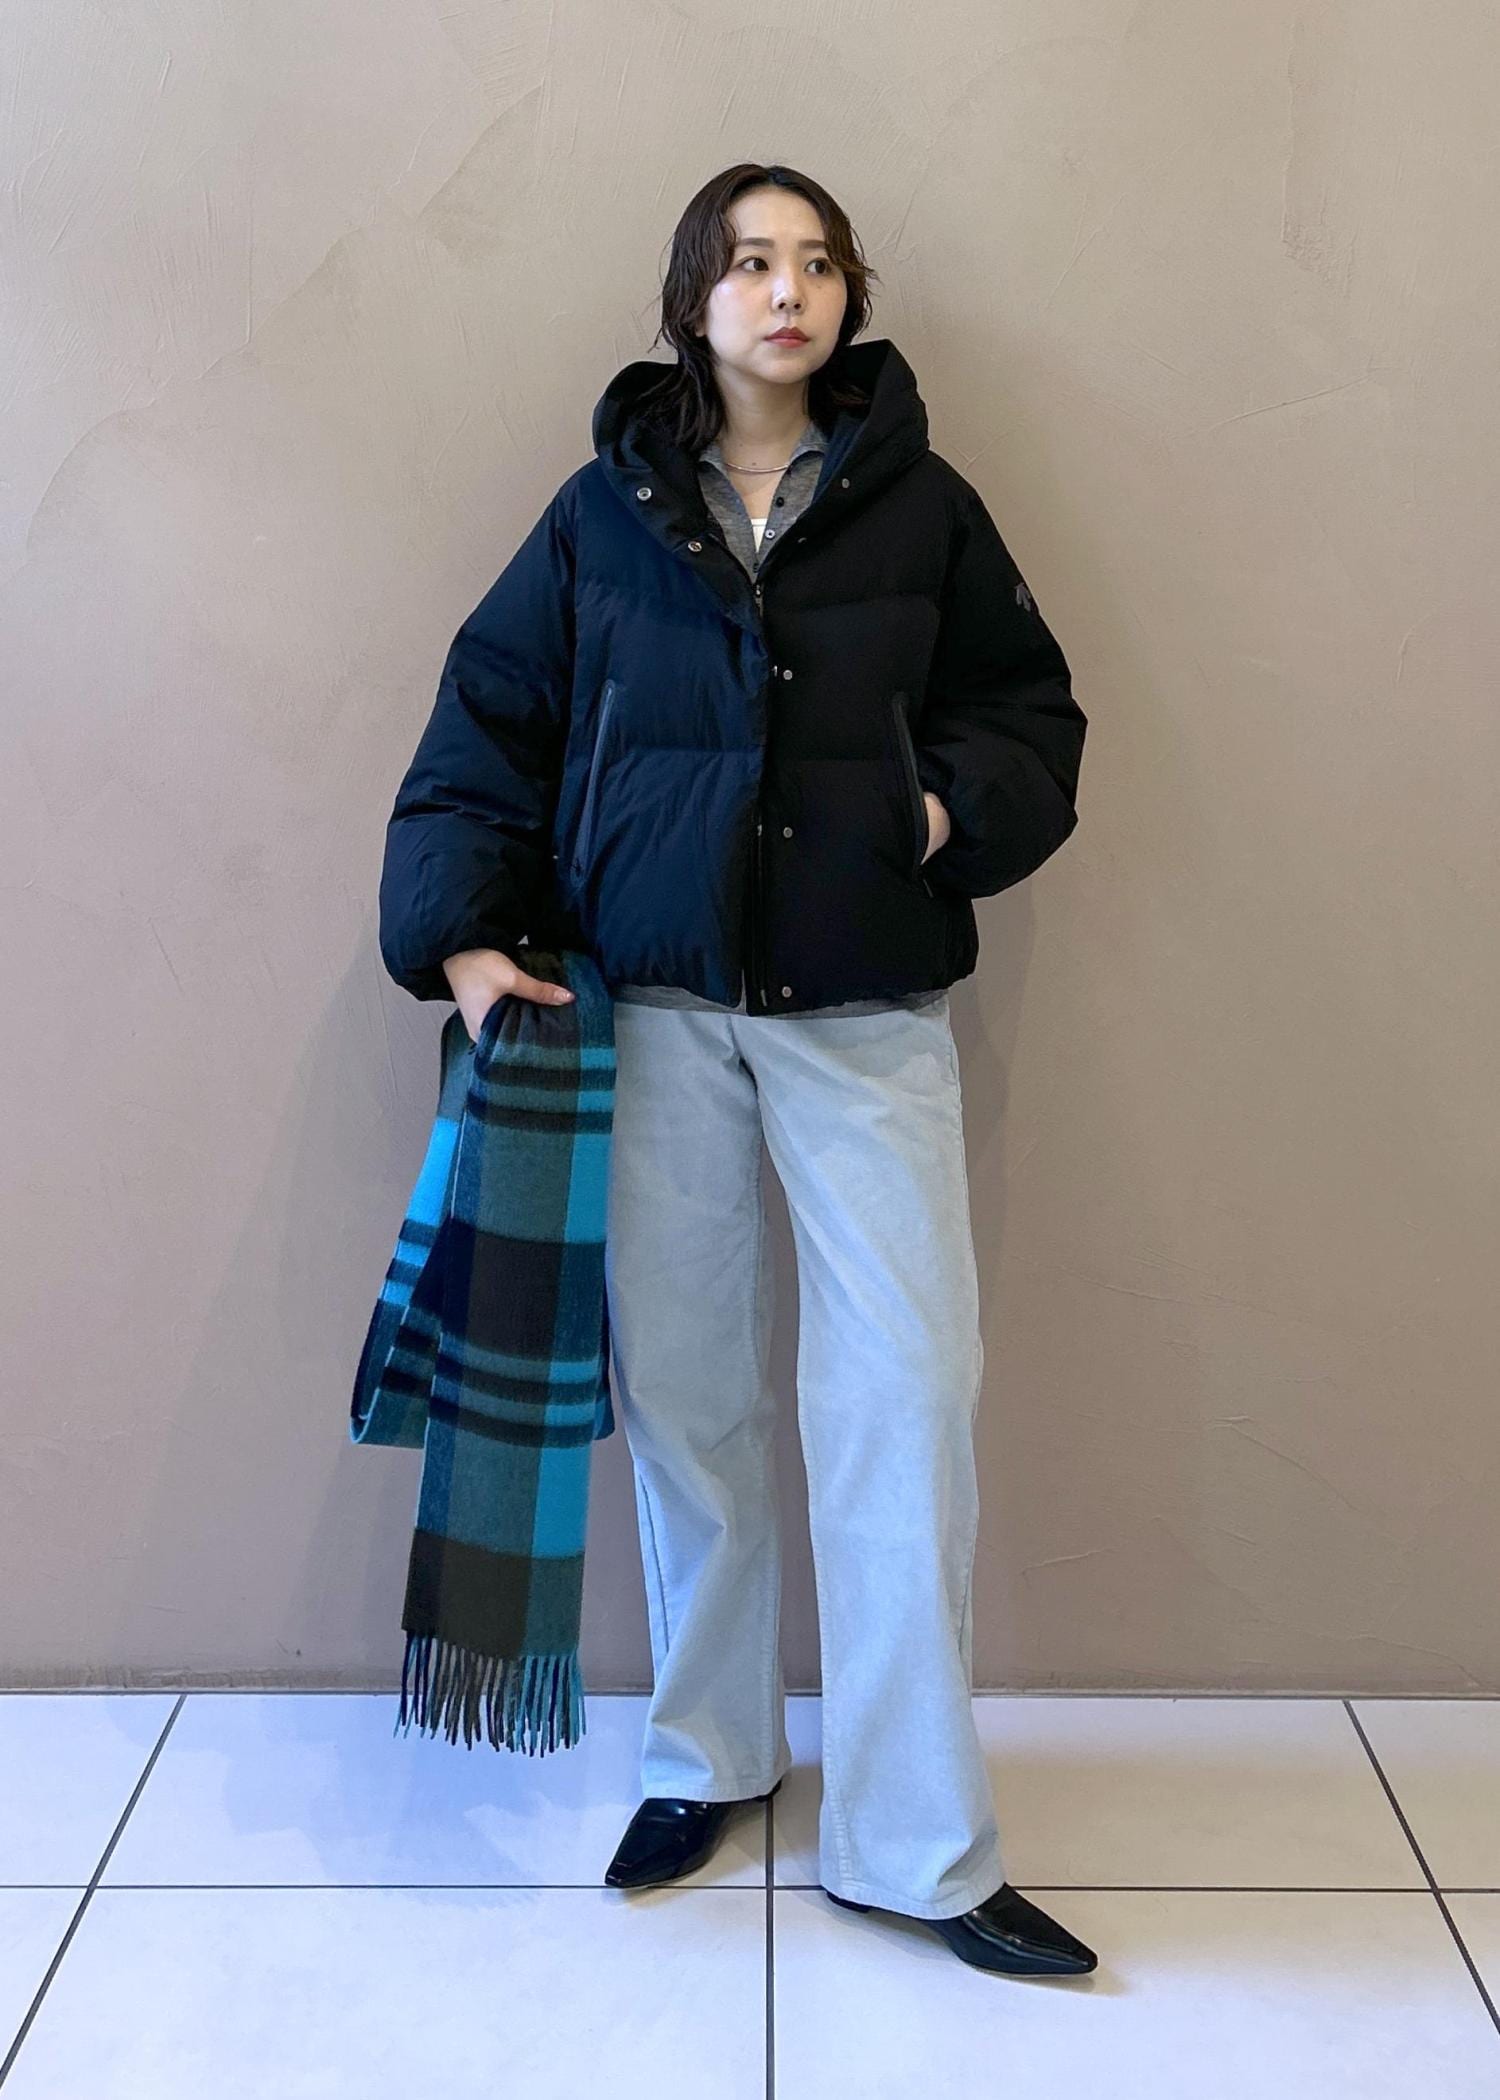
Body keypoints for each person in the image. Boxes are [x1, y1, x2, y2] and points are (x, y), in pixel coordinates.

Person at [378, 161, 1095, 1979]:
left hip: (865, 1012)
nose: (789, 290)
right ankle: (710, 1754)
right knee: (691, 1403)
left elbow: (1030, 715)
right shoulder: (601, 517)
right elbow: (489, 718)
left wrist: (934, 815)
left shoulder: (924, 506)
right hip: (655, 1009)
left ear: (848, 298)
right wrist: (461, 935)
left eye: (819, 262)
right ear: (694, 298)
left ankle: (915, 1842)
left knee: (905, 1400)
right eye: (753, 262)